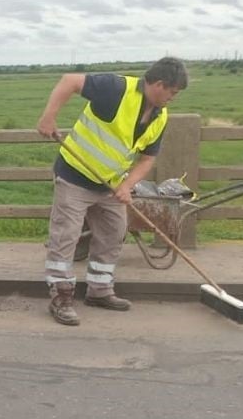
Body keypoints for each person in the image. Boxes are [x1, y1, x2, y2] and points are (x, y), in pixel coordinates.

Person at [35, 58, 188, 326]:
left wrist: (127, 186)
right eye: (172, 92)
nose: (173, 98)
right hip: (74, 176)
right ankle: (61, 298)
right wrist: (49, 117)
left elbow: (147, 158)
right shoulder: (116, 88)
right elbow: (69, 81)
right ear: (159, 84)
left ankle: (99, 290)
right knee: (66, 237)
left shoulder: (159, 117)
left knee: (114, 233)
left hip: (110, 184)